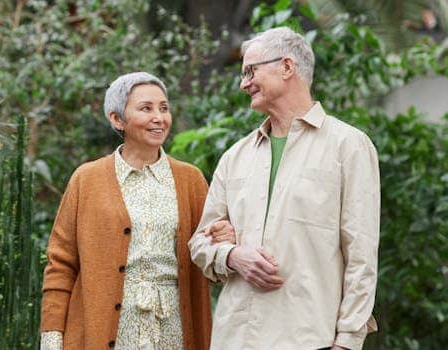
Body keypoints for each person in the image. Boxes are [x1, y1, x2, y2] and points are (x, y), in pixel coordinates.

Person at [189, 27, 380, 350]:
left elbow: (361, 255)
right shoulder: (235, 156)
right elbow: (200, 243)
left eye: (251, 71)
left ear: (287, 67)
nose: (243, 83)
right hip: (235, 339)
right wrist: (233, 255)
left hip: (308, 340)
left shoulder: (348, 146)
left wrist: (348, 340)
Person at [40, 72, 233, 349]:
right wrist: (52, 337)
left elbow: (208, 252)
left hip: (173, 331)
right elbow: (61, 264)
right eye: (146, 108)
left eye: (163, 108)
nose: (159, 117)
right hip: (108, 331)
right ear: (117, 119)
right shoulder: (87, 179)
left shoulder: (190, 180)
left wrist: (223, 237)